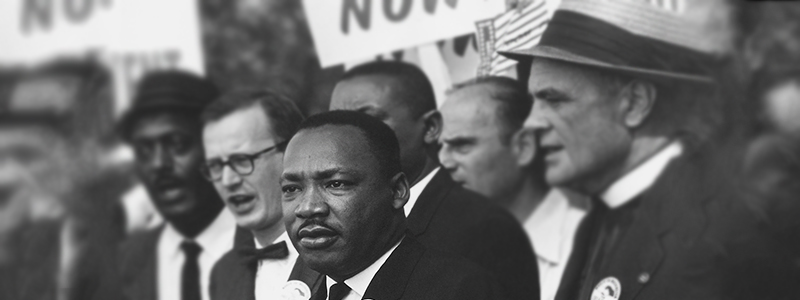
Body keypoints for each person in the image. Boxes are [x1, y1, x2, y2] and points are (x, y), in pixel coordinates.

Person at [500, 0, 800, 299]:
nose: (532, 122)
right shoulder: (598, 221)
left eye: (554, 99)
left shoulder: (731, 224)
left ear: (635, 103)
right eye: (533, 102)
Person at [330, 61, 539, 300]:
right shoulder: (331, 231)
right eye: (335, 122)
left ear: (430, 127)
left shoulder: (484, 227)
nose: (343, 138)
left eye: (368, 121)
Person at [281, 111, 499, 300]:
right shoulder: (305, 290)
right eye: (291, 189)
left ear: (397, 191)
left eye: (336, 184)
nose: (307, 207)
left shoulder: (461, 290)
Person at [438, 76, 589, 300]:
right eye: (439, 147)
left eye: (462, 145)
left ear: (524, 146)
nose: (444, 162)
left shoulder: (592, 242)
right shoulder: (443, 249)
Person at [117, 70, 236, 300]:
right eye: (144, 150)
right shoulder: (124, 261)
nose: (159, 164)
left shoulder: (266, 245)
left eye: (177, 144)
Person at [201, 90, 322, 300]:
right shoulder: (224, 273)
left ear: (293, 152)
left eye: (242, 160)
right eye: (215, 165)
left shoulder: (342, 255)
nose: (228, 180)